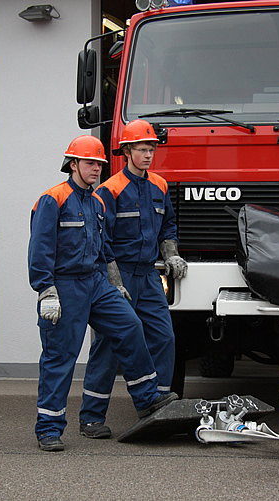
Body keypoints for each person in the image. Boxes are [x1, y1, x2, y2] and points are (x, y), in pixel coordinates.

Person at [28, 135, 178, 452]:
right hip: (65, 285)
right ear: (73, 164)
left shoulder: (96, 202)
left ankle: (148, 397)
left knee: (130, 326)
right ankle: (49, 429)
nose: (96, 169)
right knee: (60, 358)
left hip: (96, 282)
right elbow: (40, 250)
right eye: (90, 163)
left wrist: (113, 281)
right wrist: (46, 291)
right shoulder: (52, 199)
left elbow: (104, 249)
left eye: (99, 164)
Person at [78, 120, 187, 439]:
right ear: (127, 152)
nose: (148, 155)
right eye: (142, 149)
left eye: (152, 149)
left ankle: (158, 407)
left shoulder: (160, 185)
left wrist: (171, 253)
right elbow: (100, 238)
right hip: (118, 275)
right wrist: (113, 282)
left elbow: (168, 225)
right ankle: (91, 417)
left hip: (149, 276)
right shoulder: (109, 191)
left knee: (163, 337)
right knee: (110, 345)